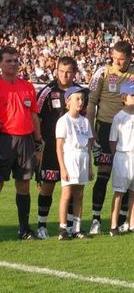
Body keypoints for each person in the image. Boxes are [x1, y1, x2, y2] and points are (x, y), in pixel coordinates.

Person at [87, 41, 134, 235]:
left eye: (121, 59)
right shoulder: (103, 72)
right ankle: (96, 218)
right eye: (114, 57)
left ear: (130, 57)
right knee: (104, 172)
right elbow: (91, 102)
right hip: (106, 127)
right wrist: (91, 129)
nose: (117, 61)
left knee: (129, 176)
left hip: (131, 130)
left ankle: (124, 220)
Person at [35, 56, 85, 239]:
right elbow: (36, 117)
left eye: (69, 71)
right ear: (56, 70)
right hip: (51, 148)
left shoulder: (80, 92)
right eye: (61, 71)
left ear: (74, 73)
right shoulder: (47, 91)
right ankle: (42, 224)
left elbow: (85, 119)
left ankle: (71, 226)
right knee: (48, 186)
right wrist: (38, 144)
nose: (65, 75)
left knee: (72, 188)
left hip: (72, 151)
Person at [0, 46, 43, 240]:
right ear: (1, 64)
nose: (13, 64)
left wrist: (38, 140)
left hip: (26, 140)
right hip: (4, 139)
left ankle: (24, 229)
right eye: (8, 61)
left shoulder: (27, 86)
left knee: (24, 185)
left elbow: (34, 115)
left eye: (15, 60)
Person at [108, 82, 134, 236]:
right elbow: (113, 140)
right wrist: (117, 158)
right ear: (124, 97)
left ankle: (132, 223)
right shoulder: (119, 117)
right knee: (119, 192)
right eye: (132, 95)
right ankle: (113, 225)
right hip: (123, 156)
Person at [55, 86, 93, 240]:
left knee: (79, 195)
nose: (80, 102)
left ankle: (76, 228)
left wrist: (89, 166)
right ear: (68, 101)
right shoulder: (63, 121)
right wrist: (62, 168)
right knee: (66, 194)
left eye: (82, 99)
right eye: (77, 98)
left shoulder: (85, 121)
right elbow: (59, 147)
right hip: (70, 157)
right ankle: (63, 228)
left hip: (82, 157)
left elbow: (88, 146)